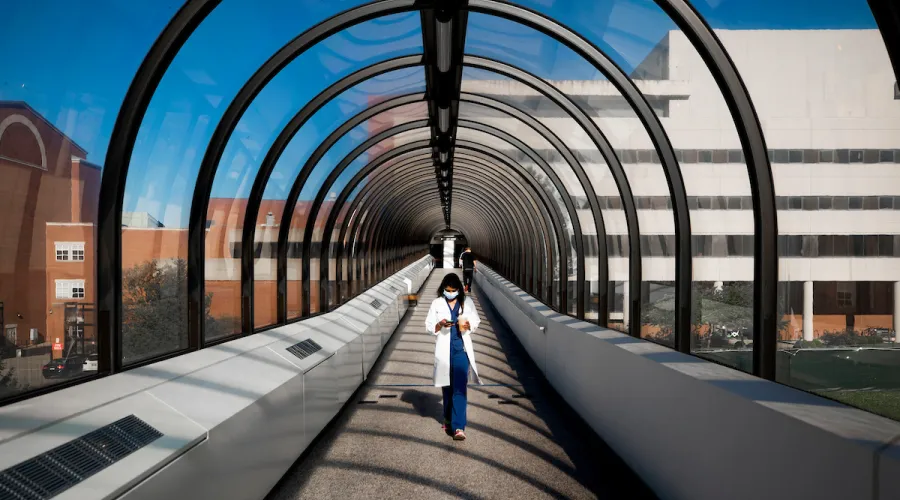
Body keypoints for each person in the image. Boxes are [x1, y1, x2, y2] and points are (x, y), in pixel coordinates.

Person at [425, 273, 482, 440]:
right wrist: (440, 324)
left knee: (459, 388)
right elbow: (428, 326)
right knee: (447, 387)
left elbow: (476, 322)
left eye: (453, 290)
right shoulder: (436, 303)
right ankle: (448, 419)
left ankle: (458, 427)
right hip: (444, 349)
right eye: (447, 290)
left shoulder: (467, 303)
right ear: (443, 289)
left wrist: (468, 324)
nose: (450, 293)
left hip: (460, 351)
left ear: (459, 290)